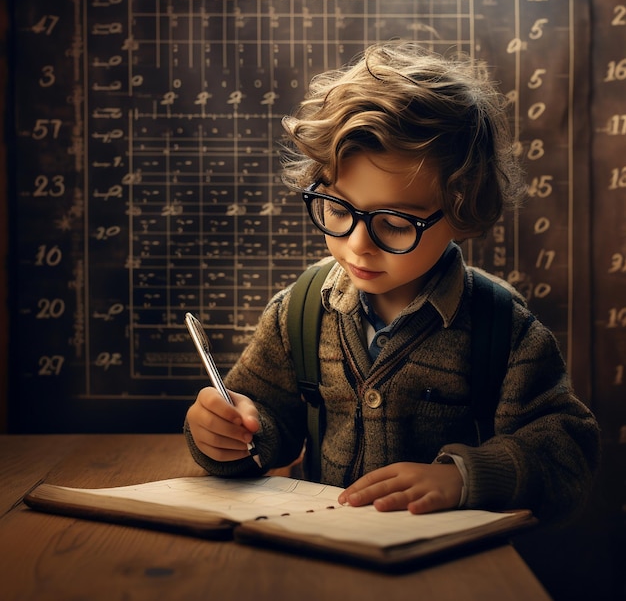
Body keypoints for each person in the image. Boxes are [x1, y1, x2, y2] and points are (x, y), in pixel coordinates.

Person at [184, 41, 600, 523]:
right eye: (339, 210)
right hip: (319, 555)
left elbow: (567, 454)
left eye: (397, 224)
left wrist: (465, 478)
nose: (359, 244)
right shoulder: (297, 312)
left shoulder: (502, 328)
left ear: (461, 211)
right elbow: (266, 427)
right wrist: (226, 434)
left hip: (447, 573)